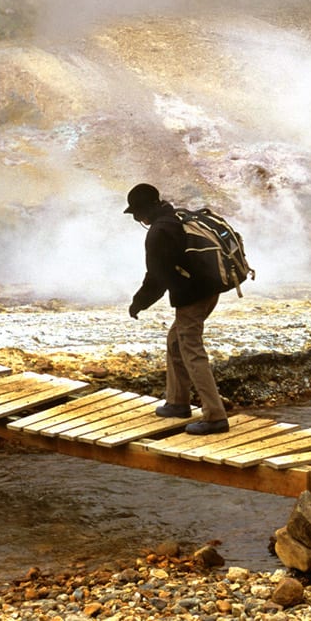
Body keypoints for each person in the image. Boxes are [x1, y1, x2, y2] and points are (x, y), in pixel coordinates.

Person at [124, 181, 229, 435]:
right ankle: (177, 402)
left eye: (137, 213)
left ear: (145, 210)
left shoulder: (159, 231)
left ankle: (215, 416)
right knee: (175, 341)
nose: (137, 219)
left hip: (192, 296)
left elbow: (156, 278)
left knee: (192, 350)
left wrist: (138, 303)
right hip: (208, 290)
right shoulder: (177, 217)